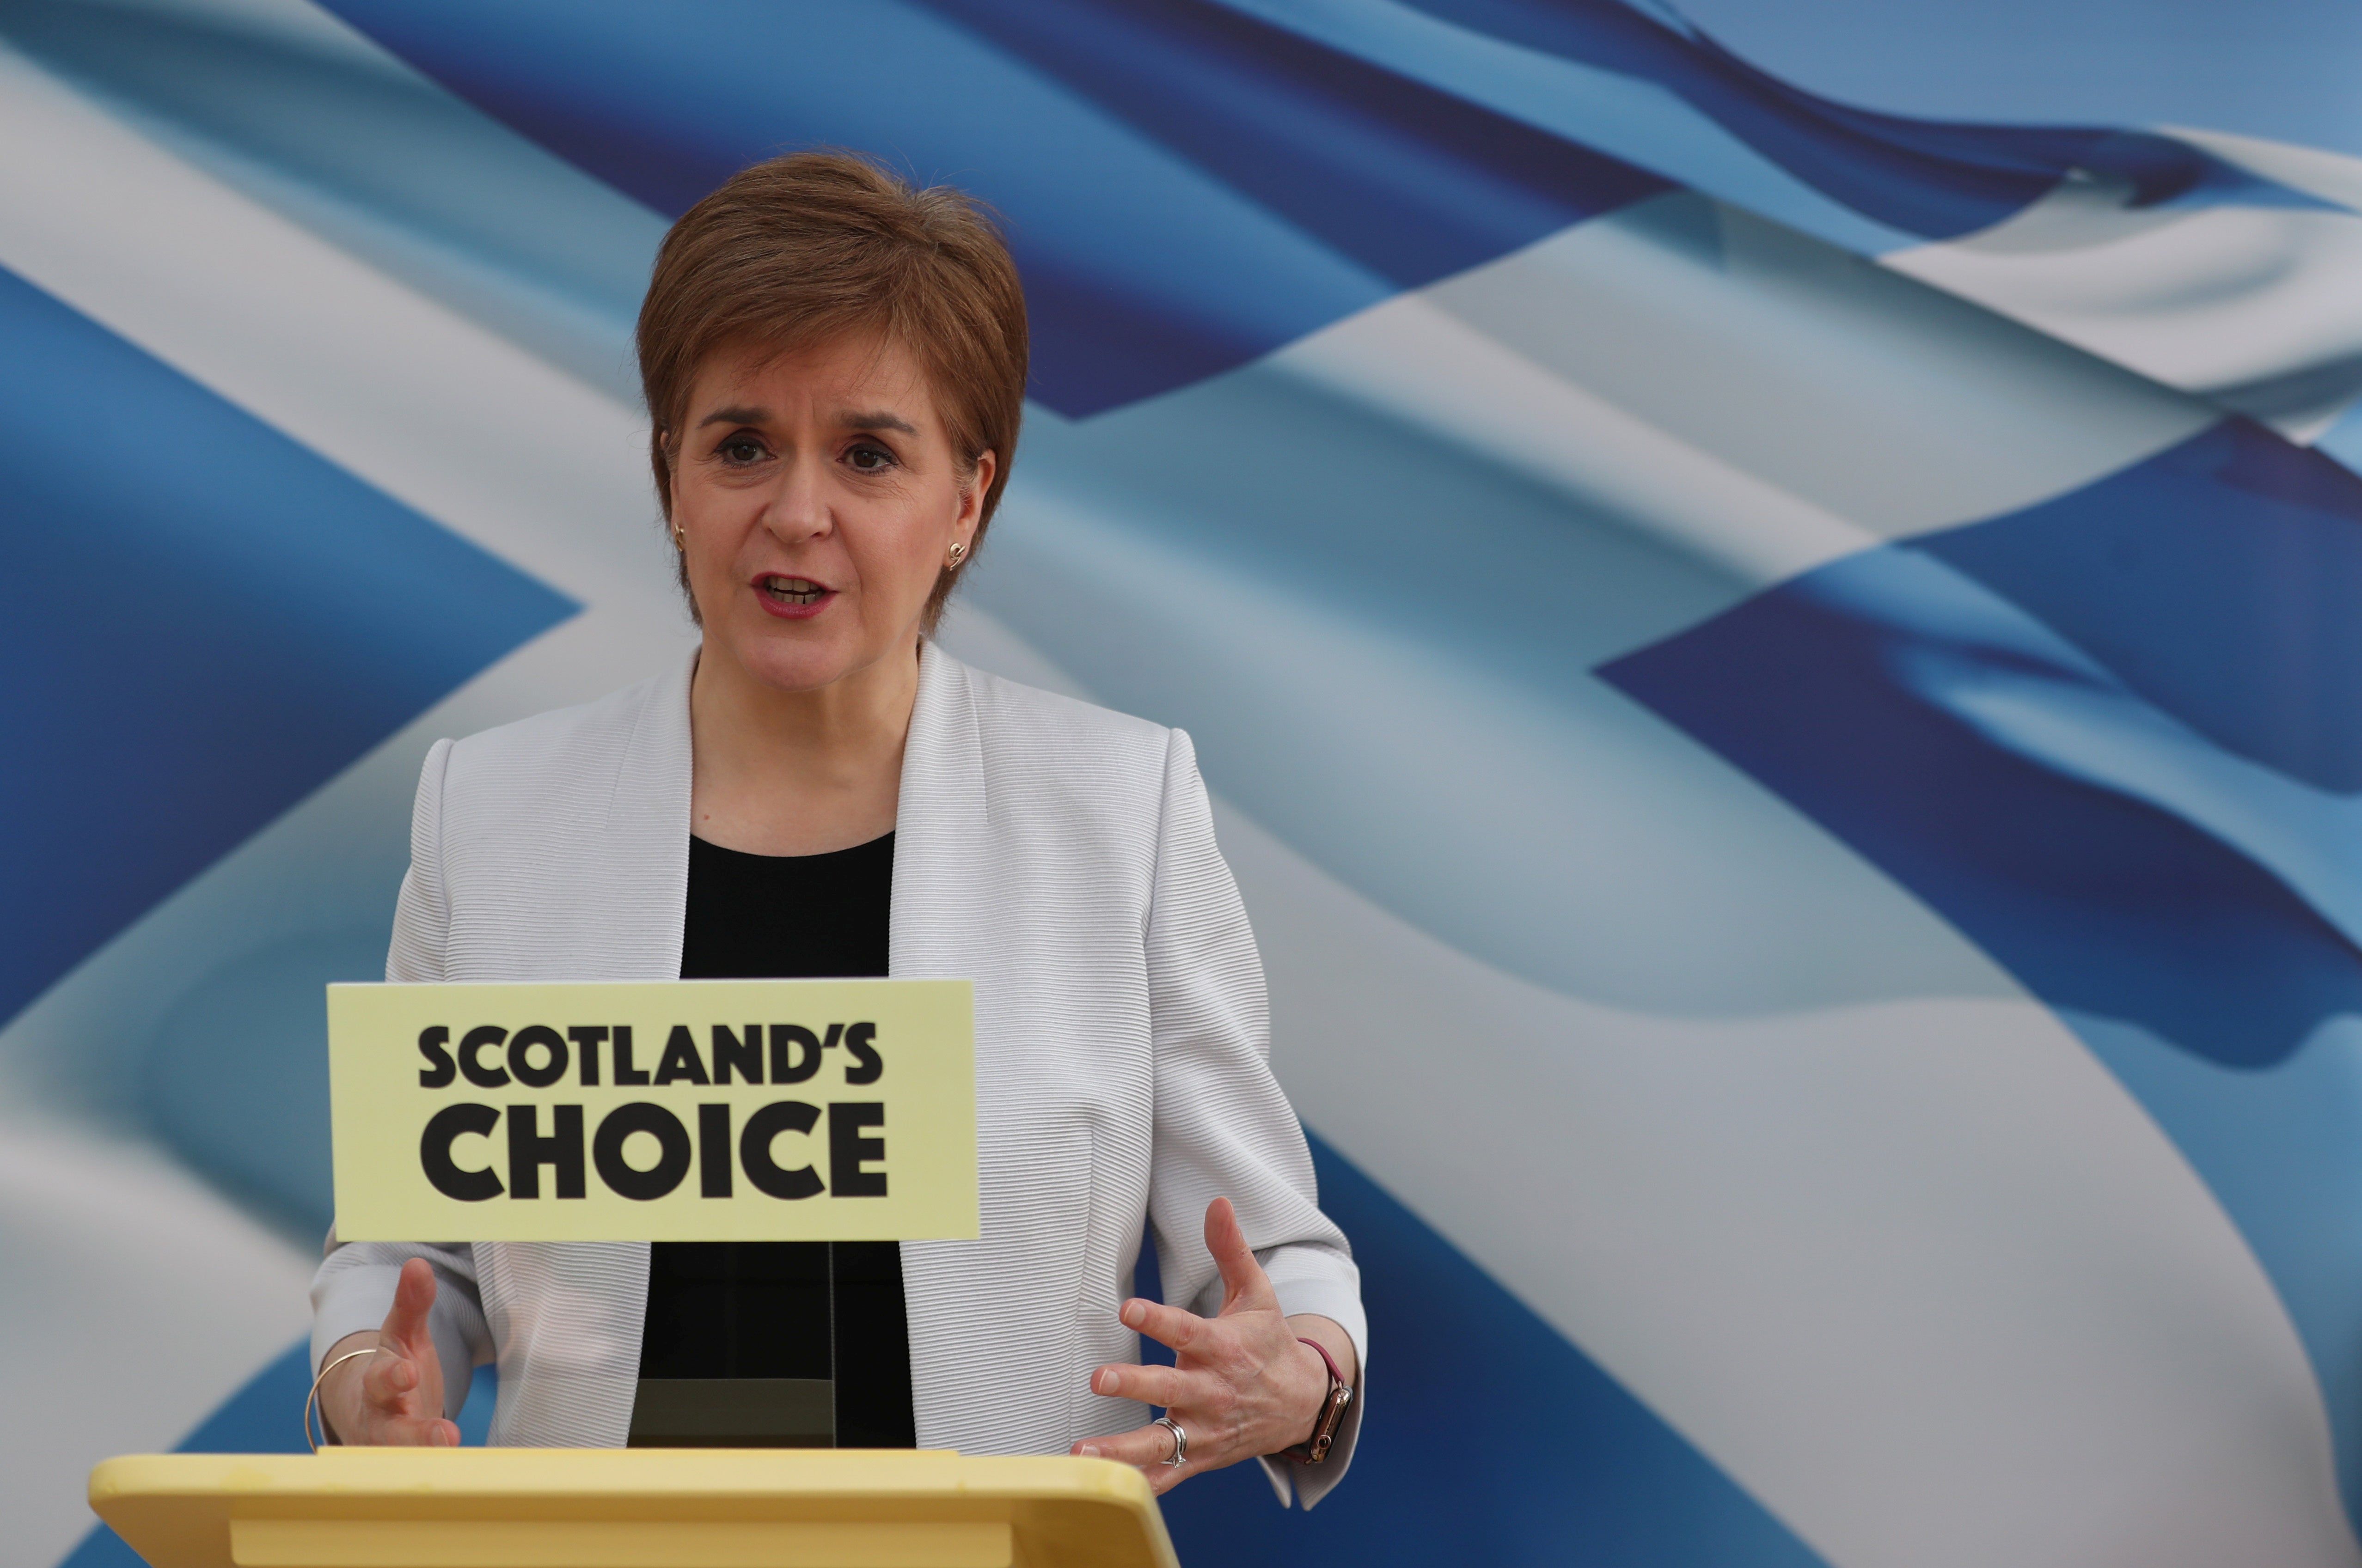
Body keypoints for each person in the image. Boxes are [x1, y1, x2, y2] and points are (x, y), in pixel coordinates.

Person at [307, 151, 1364, 1505]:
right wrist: (365, 1380)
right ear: (671, 478)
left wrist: (1301, 1372)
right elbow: (403, 1259)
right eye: (742, 443)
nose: (797, 513)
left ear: (968, 501)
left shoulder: (1124, 809)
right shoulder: (488, 813)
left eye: (868, 453)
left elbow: (1287, 1259)